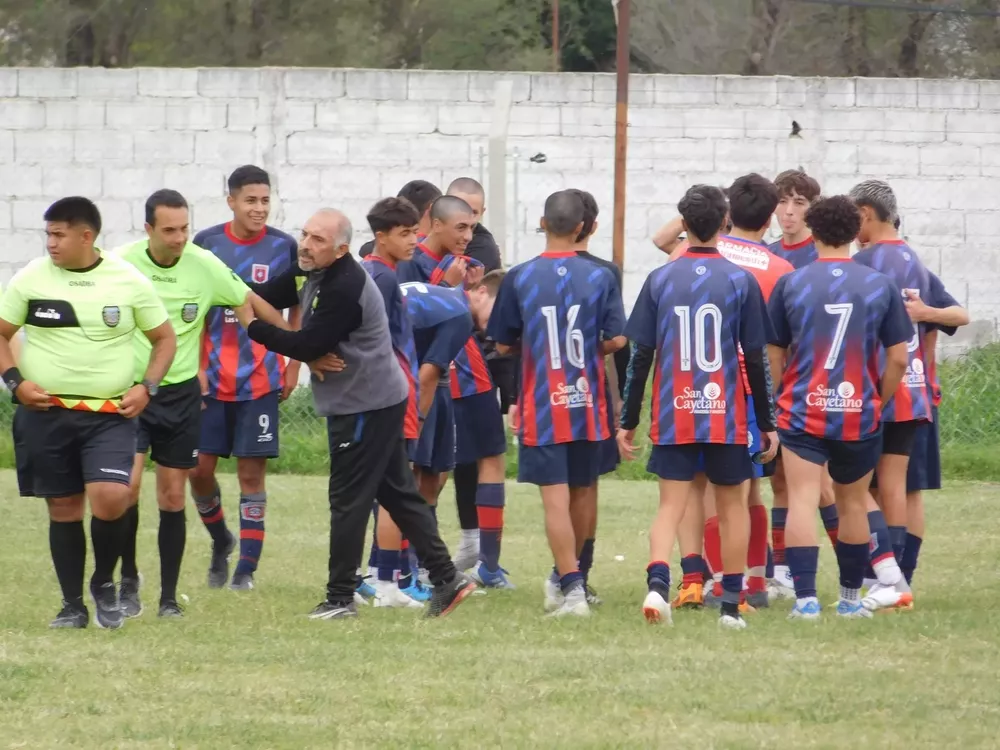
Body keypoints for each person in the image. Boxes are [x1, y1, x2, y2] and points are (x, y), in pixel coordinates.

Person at [237, 207, 476, 619]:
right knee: (398, 494)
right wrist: (228, 289)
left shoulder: (347, 283)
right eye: (305, 235)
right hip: (373, 399)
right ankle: (446, 578)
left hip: (366, 403)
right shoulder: (309, 268)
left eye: (318, 240)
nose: (307, 246)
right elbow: (264, 296)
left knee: (347, 499)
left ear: (342, 248)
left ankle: (340, 598)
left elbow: (312, 343)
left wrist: (251, 327)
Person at [2, 197, 176, 629]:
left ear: (86, 236)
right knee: (63, 506)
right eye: (48, 234)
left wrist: (147, 387)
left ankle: (103, 582)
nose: (51, 244)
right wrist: (15, 382)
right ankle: (71, 606)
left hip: (110, 416)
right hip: (46, 415)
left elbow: (164, 339)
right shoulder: (31, 278)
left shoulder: (128, 281)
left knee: (112, 496)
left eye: (59, 234)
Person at [115, 189, 288, 619]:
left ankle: (169, 598)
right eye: (169, 230)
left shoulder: (205, 264)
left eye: (184, 228)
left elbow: (245, 299)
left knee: (173, 494)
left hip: (180, 394)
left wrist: (290, 340)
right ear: (148, 230)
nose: (179, 238)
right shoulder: (119, 264)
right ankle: (129, 582)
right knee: (127, 489)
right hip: (131, 392)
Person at [618, 184, 778, 630]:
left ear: (683, 225)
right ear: (725, 223)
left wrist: (628, 420)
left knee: (670, 505)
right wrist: (767, 422)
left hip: (675, 414)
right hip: (726, 414)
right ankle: (730, 604)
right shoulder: (740, 280)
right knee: (732, 507)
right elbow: (756, 357)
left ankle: (657, 584)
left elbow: (640, 357)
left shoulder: (660, 278)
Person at [767, 195, 912, 619]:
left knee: (801, 499)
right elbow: (900, 358)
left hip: (802, 409)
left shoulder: (793, 282)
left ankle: (806, 601)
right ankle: (849, 601)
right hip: (857, 411)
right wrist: (876, 399)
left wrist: (781, 392)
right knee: (852, 502)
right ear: (854, 232)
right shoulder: (878, 284)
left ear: (813, 231)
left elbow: (774, 349)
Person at [488, 190, 627, 618]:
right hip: (587, 402)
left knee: (555, 499)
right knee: (585, 491)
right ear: (583, 227)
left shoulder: (520, 277)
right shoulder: (602, 276)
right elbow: (617, 339)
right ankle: (574, 579)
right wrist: (586, 347)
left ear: (543, 223)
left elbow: (503, 342)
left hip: (543, 403)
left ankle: (570, 592)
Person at [849, 179, 966, 609]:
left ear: (864, 214)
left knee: (854, 482)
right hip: (913, 389)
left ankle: (887, 575)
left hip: (879, 385)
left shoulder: (863, 264)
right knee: (896, 485)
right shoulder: (913, 261)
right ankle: (896, 580)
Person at [190, 165, 301, 592]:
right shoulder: (206, 244)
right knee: (198, 469)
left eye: (265, 200)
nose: (259, 208)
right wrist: (197, 365)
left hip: (260, 378)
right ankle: (221, 540)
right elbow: (193, 304)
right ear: (231, 200)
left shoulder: (283, 246)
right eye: (250, 200)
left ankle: (245, 572)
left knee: (252, 477)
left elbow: (297, 306)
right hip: (211, 377)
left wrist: (293, 363)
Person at [359, 196, 431, 607]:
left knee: (383, 489)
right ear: (380, 236)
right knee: (396, 489)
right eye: (404, 234)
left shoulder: (370, 273)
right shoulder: (383, 279)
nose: (413, 241)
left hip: (377, 394)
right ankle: (386, 584)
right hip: (392, 393)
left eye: (413, 233)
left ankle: (374, 579)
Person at [397, 196, 477, 288]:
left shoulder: (459, 265)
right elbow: (410, 301)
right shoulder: (409, 262)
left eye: (472, 228)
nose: (469, 237)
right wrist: (447, 284)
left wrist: (471, 288)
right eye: (461, 228)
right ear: (437, 225)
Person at [358, 180, 442, 259]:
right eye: (404, 234)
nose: (412, 242)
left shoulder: (372, 252)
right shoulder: (422, 258)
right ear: (432, 209)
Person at [767, 169, 821, 268]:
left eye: (799, 203)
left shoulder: (822, 254)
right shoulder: (767, 254)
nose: (789, 211)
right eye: (782, 201)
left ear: (812, 208)